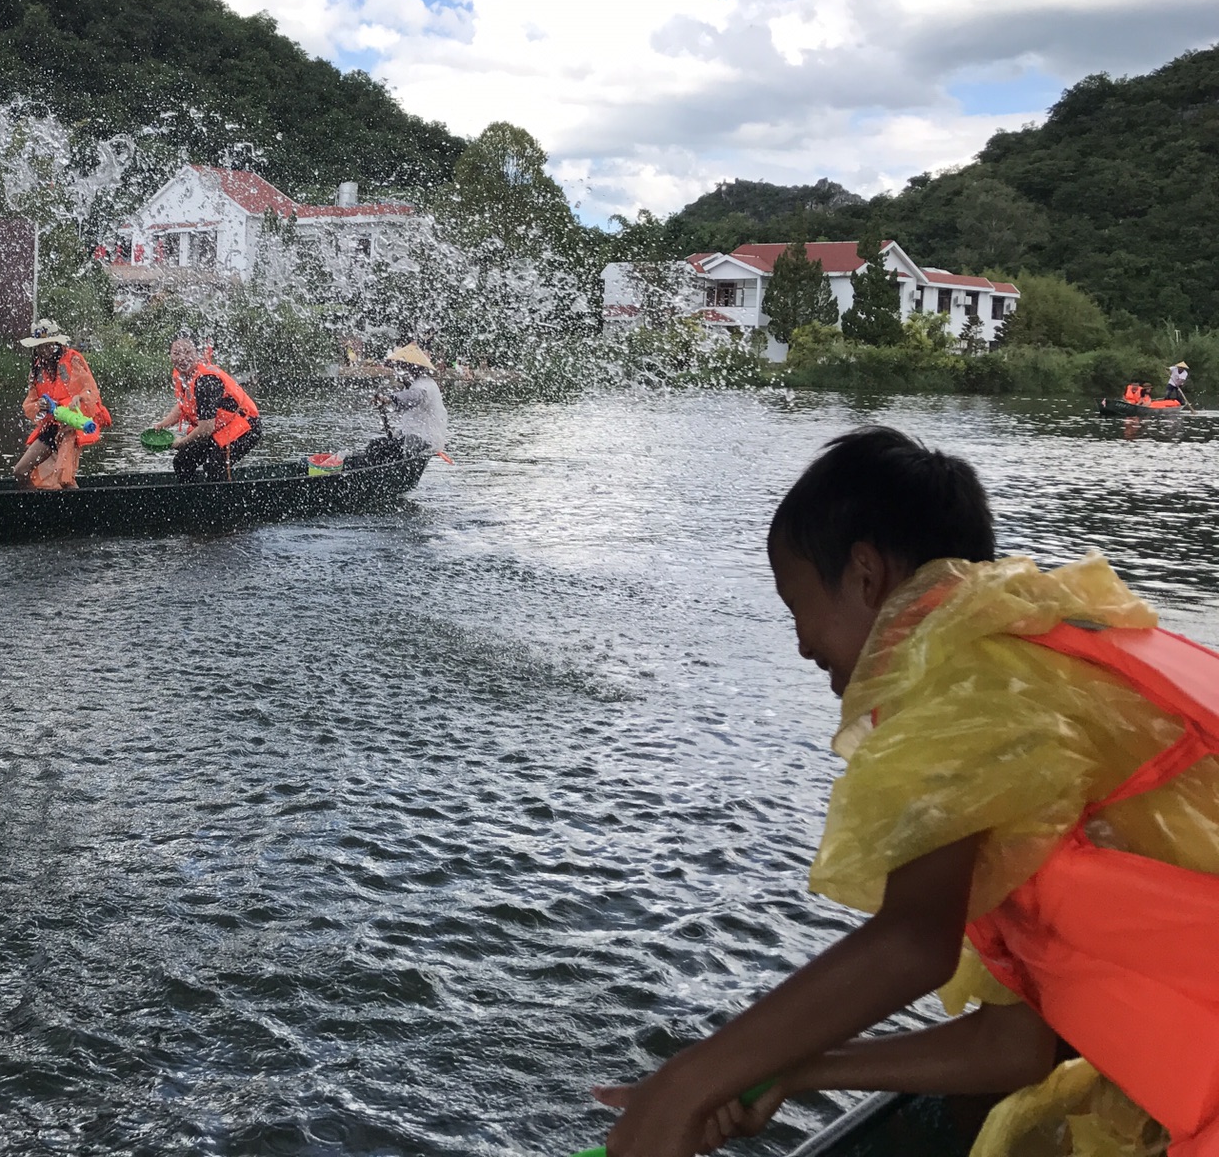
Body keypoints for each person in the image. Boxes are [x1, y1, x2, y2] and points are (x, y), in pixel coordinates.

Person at [597, 426, 1219, 1157]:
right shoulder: (1027, 669)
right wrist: (788, 1071)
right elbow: (1016, 1044)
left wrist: (684, 1085)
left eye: (796, 605)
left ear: (865, 576)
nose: (799, 643)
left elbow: (912, 942)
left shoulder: (964, 681)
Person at [12, 319, 110, 491]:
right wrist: (39, 406)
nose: (45, 350)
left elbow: (90, 390)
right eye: (41, 346)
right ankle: (36, 510)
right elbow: (30, 403)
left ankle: (83, 513)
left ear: (56, 343)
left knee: (65, 478)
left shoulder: (72, 360)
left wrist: (77, 399)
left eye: (48, 345)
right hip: (52, 424)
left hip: (72, 423)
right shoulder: (36, 370)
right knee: (21, 471)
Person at [148, 336, 261, 481]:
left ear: (198, 354)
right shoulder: (183, 375)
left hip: (245, 426)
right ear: (170, 355)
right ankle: (191, 498)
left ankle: (224, 501)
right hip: (218, 427)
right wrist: (163, 424)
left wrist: (181, 443)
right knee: (182, 462)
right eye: (176, 353)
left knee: (214, 465)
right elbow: (184, 404)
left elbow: (206, 429)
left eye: (188, 352)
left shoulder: (206, 381)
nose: (182, 358)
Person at [360, 342, 448, 464]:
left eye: (400, 368)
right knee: (380, 445)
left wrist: (389, 399)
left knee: (376, 447)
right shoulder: (418, 384)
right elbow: (408, 406)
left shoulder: (423, 385)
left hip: (423, 440)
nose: (397, 373)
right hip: (419, 438)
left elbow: (414, 397)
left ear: (411, 369)